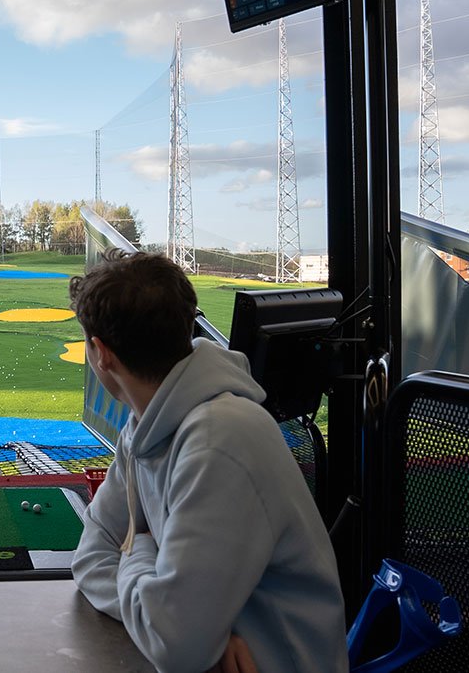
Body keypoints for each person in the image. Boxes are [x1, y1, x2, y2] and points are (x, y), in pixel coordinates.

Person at [69, 251, 347, 673]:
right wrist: (162, 613)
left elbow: (175, 646)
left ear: (99, 352)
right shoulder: (142, 426)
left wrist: (138, 546)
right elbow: (90, 556)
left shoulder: (222, 440)